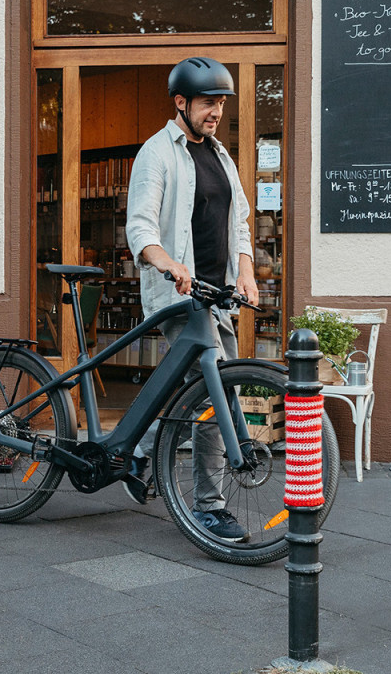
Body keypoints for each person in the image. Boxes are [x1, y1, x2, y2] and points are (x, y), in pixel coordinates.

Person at [124, 56, 259, 540]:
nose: (216, 112)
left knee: (210, 392)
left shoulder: (222, 156)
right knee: (213, 393)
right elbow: (139, 225)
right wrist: (168, 262)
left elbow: (239, 222)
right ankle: (209, 506)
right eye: (207, 103)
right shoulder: (156, 153)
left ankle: (136, 450)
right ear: (180, 102)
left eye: (221, 103)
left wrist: (245, 271)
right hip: (179, 297)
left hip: (216, 296)